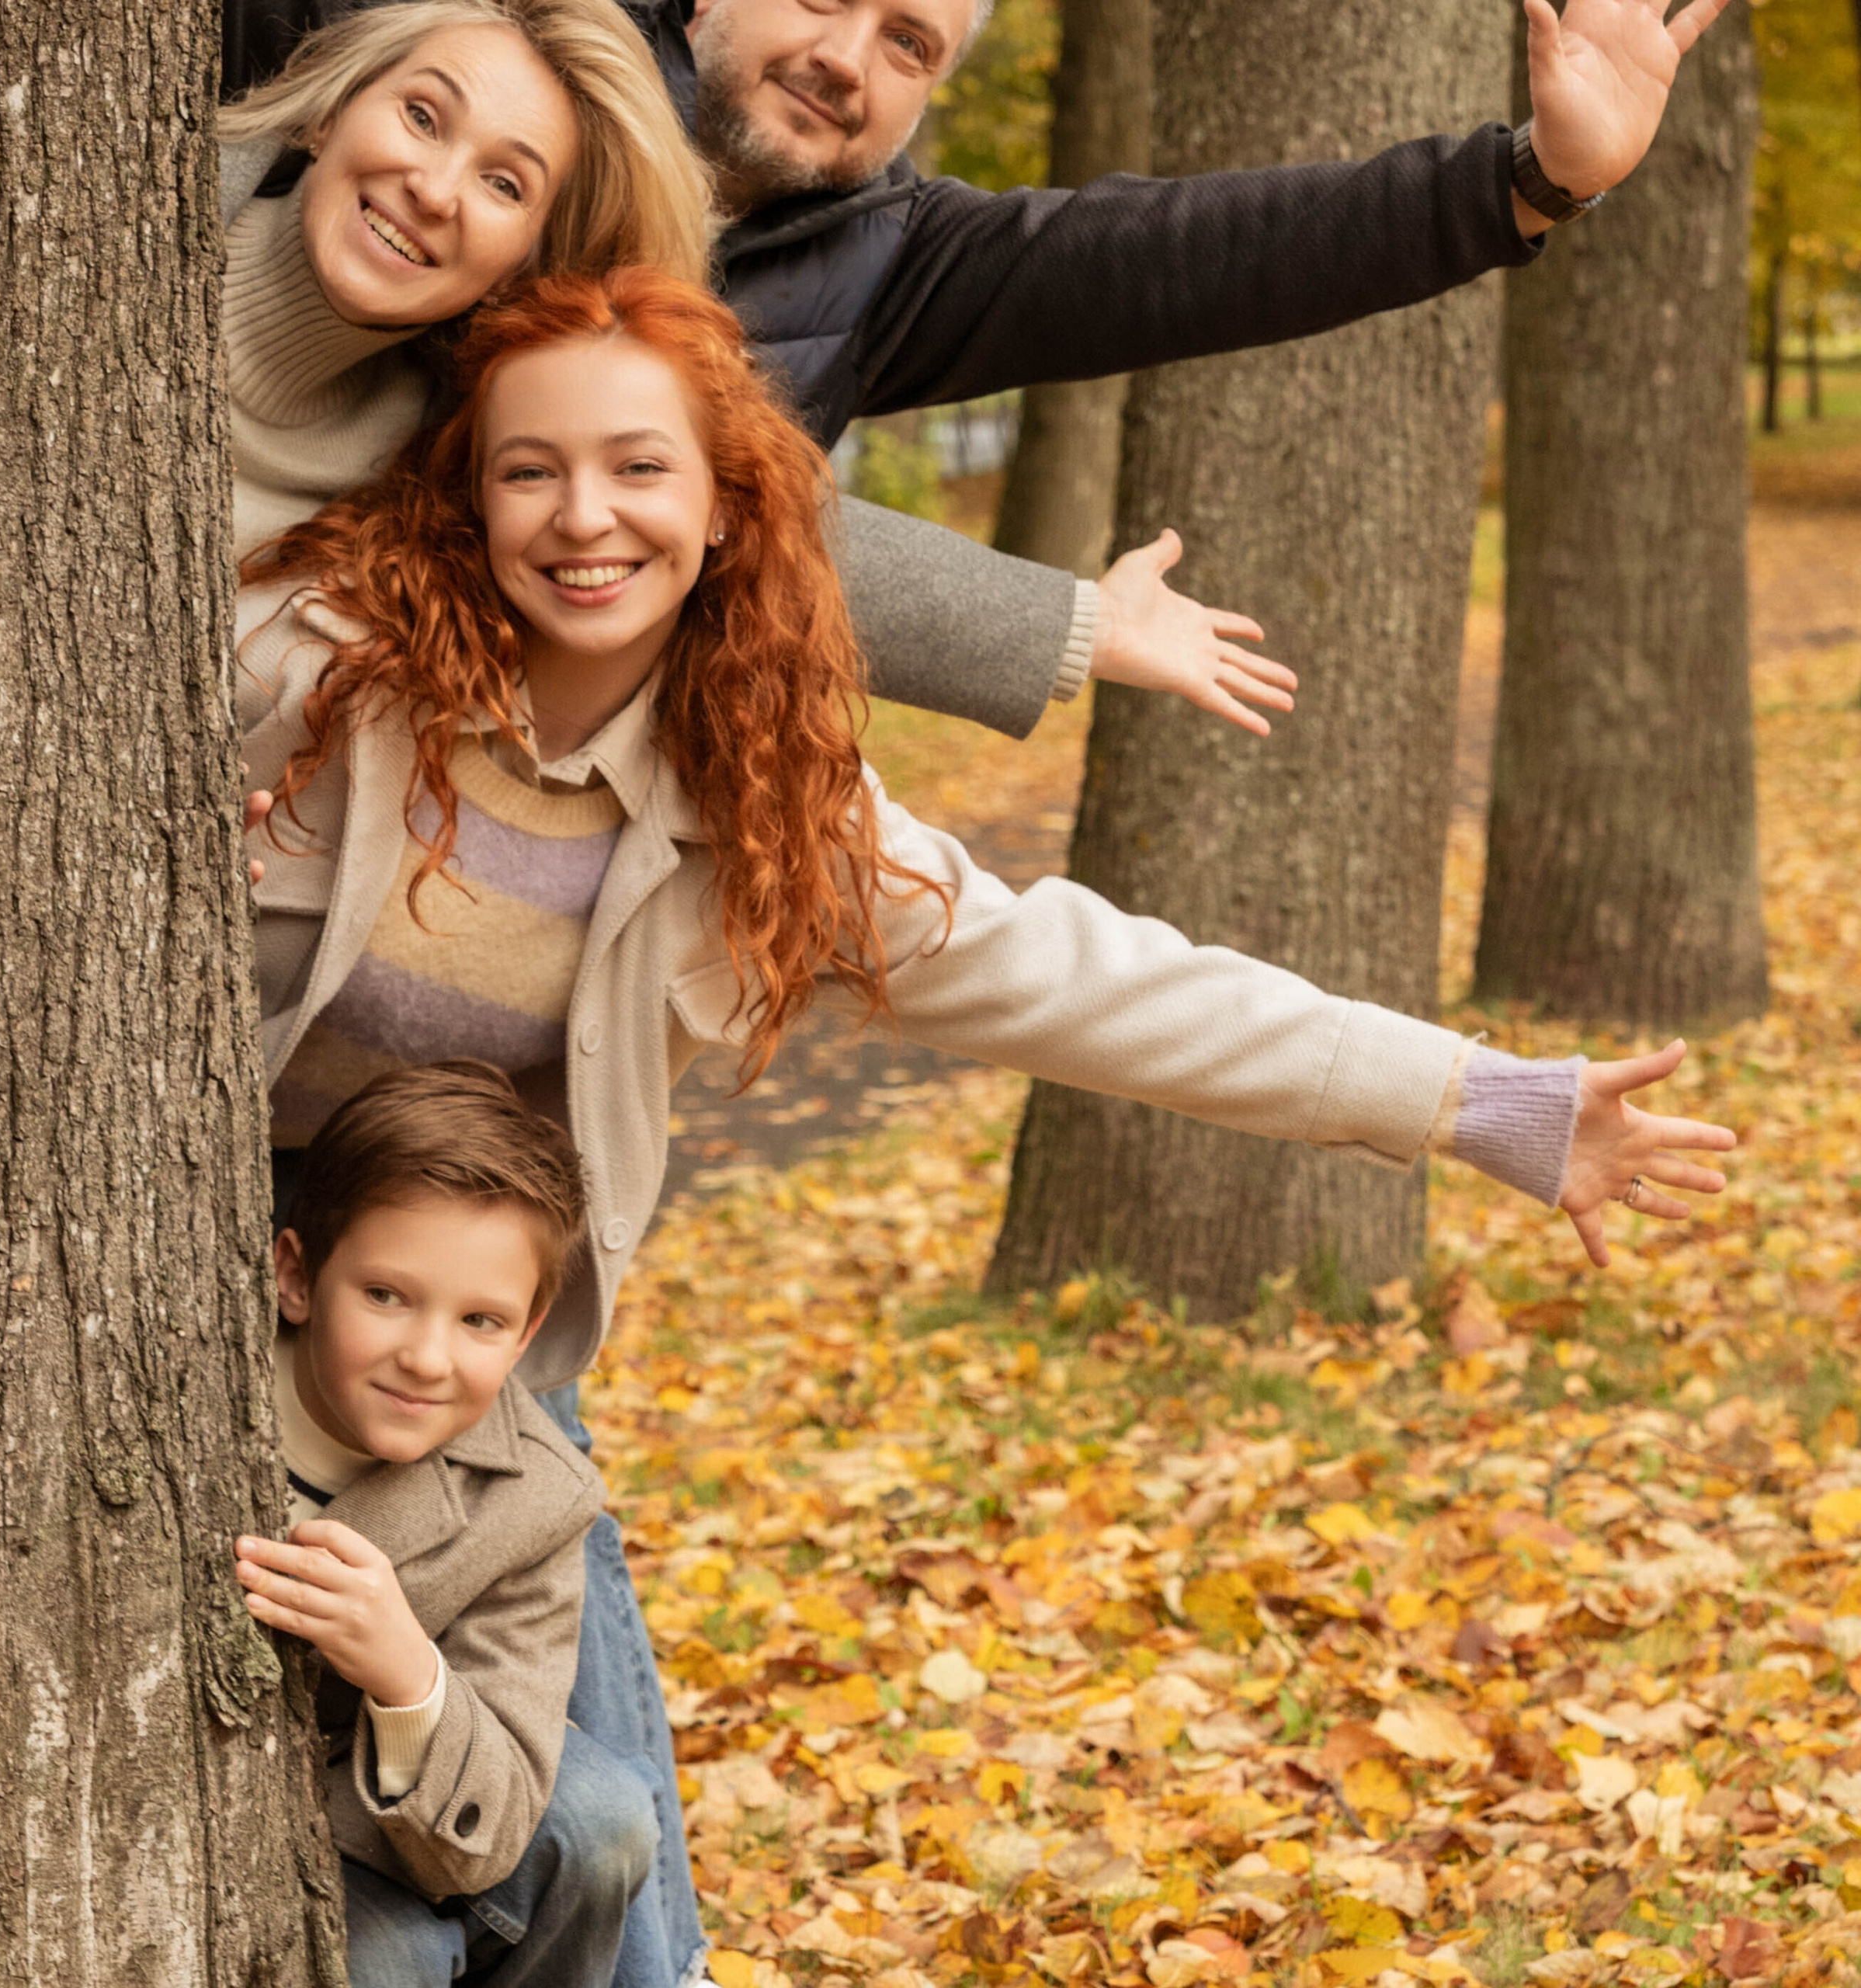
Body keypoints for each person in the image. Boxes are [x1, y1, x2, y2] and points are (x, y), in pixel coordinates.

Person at [237, 266, 1739, 1984]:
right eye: (529, 470)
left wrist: (1476, 1101)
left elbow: (1081, 978)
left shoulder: (763, 800)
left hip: (468, 1337)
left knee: (598, 1834)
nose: (584, 517)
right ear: (467, 489)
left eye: (639, 469)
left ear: (729, 504)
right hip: (229, 1282)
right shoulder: (319, 671)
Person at [217, 0, 1295, 747]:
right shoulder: (122, 206)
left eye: (506, 183)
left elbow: (714, 505)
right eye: (418, 117)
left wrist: (1072, 625)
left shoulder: (439, 447)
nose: (437, 187)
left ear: (531, 255)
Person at [221, 0, 1736, 450]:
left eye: (908, 47)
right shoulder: (487, 65)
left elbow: (1199, 259)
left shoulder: (886, 265)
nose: (847, 60)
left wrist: (1530, 177)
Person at [243, 1058, 655, 1987]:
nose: (427, 1356)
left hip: (383, 1806)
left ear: (526, 1330)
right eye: (385, 1295)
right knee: (396, 1957)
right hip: (199, 1799)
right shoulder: (198, 1370)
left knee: (605, 1818)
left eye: (480, 1319)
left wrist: (404, 1669)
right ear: (297, 1274)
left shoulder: (536, 1499)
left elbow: (493, 1829)